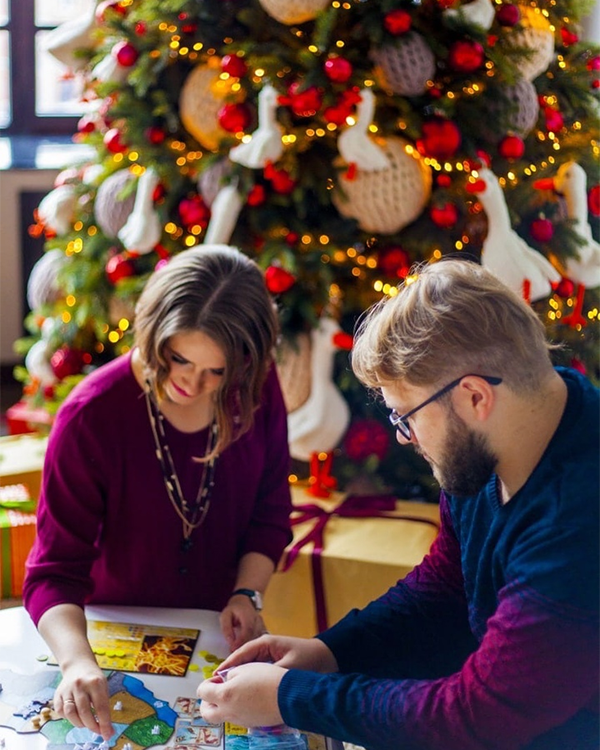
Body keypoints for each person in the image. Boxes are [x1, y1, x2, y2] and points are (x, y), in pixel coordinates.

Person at [197, 259, 599, 750]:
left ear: (474, 397)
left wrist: (292, 696)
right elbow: (446, 587)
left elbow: (477, 715)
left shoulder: (576, 526)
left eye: (404, 416)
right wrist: (327, 652)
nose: (404, 439)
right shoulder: (508, 432)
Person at [23, 244, 293, 741]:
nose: (194, 382)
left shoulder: (255, 386)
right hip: (109, 631)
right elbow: (53, 573)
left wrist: (246, 592)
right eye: (178, 359)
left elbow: (271, 511)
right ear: (152, 335)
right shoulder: (91, 416)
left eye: (218, 371)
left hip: (217, 630)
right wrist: (77, 662)